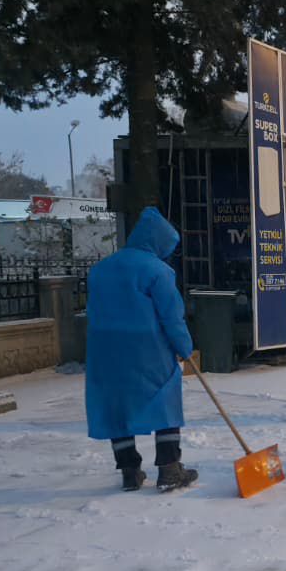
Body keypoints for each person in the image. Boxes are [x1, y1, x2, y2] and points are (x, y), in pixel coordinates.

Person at [85, 206, 200, 493]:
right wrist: (184, 347)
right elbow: (171, 316)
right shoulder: (157, 271)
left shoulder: (101, 269)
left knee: (117, 406)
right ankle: (169, 470)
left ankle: (129, 471)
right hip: (148, 349)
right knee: (164, 401)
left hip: (105, 349)